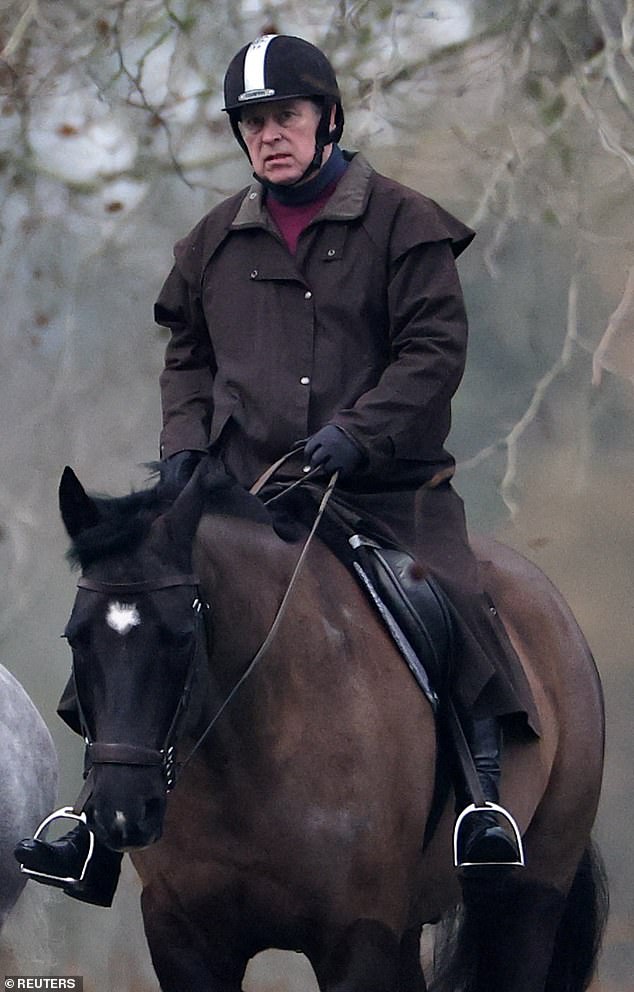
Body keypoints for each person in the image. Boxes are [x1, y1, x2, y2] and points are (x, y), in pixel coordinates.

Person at [16, 34, 536, 905]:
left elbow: (433, 349)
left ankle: (481, 804)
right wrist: (184, 443)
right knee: (129, 603)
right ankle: (91, 820)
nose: (269, 135)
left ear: (327, 119)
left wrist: (359, 434)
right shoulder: (213, 240)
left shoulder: (406, 223)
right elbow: (187, 356)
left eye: (284, 116)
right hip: (239, 490)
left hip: (383, 488)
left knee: (448, 596)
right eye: (252, 124)